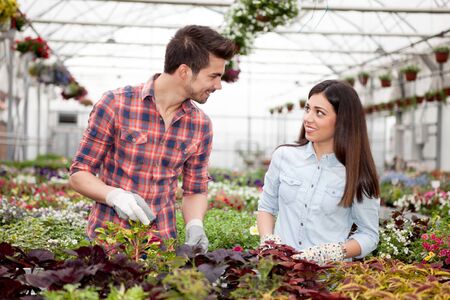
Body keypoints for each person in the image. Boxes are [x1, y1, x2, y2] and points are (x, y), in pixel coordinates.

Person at [69, 25, 236, 253]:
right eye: (214, 76)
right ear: (185, 71)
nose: (218, 85)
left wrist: (195, 224)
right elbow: (79, 173)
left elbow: (195, 189)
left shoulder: (200, 125)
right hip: (108, 243)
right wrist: (114, 195)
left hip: (162, 246)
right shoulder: (116, 104)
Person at [257, 80, 380, 265]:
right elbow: (266, 207)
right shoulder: (284, 156)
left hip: (327, 279)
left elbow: (369, 234)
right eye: (308, 109)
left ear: (342, 120)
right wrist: (268, 242)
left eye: (319, 113)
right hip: (280, 271)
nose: (308, 118)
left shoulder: (356, 173)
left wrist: (334, 252)